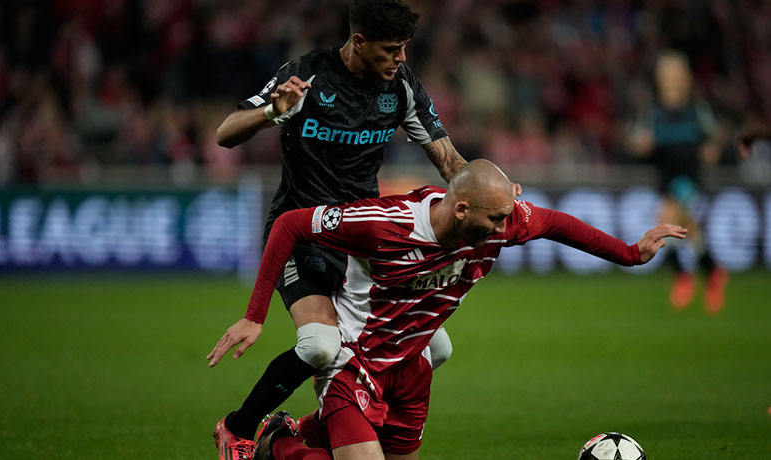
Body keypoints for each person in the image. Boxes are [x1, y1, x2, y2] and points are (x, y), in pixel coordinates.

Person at [208, 160, 687, 460]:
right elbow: (291, 224)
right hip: (354, 364)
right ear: (461, 212)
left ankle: (300, 428)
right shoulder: (384, 225)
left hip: (411, 369)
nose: (508, 226)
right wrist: (255, 314)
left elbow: (555, 223)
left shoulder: (499, 222)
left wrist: (630, 253)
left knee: (440, 350)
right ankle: (279, 444)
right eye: (496, 218)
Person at [209, 1, 470, 459]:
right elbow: (225, 133)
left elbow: (449, 161)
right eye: (392, 49)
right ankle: (237, 428)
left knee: (436, 348)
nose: (401, 59)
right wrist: (273, 111)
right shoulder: (307, 75)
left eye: (405, 48)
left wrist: (488, 194)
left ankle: (311, 427)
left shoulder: (401, 87)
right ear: (359, 42)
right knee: (318, 346)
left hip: (364, 239)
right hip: (302, 234)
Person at [625, 49, 727, 314]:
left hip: (689, 176)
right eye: (665, 74)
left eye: (673, 74)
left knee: (667, 218)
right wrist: (641, 145)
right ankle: (712, 271)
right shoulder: (653, 111)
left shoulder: (695, 109)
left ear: (685, 78)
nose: (668, 80)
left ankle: (683, 275)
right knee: (689, 229)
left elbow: (717, 133)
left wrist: (712, 148)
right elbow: (636, 140)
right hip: (666, 176)